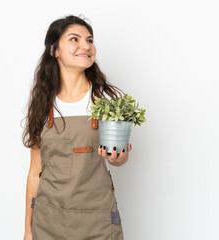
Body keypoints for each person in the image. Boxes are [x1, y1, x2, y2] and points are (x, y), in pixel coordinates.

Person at [22, 15, 132, 240]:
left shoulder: (108, 99)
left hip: (98, 220)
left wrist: (118, 158)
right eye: (75, 39)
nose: (86, 46)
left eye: (90, 40)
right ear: (55, 51)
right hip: (48, 220)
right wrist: (28, 230)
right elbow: (35, 172)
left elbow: (120, 156)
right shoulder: (43, 104)